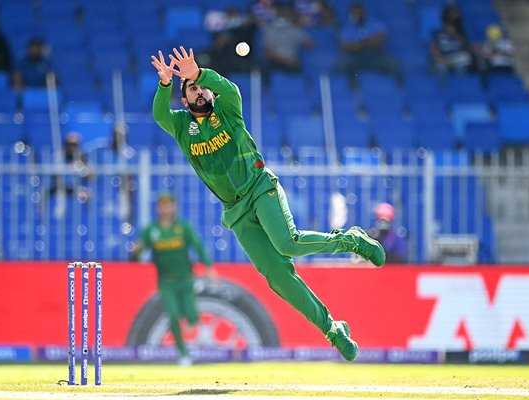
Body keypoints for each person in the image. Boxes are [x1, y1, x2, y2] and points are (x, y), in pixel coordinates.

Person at [150, 46, 386, 362]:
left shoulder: (227, 108)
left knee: (288, 243)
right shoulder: (182, 126)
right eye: (192, 89)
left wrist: (199, 74)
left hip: (260, 187)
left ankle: (352, 240)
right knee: (278, 277)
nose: (200, 91)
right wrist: (166, 84)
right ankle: (332, 328)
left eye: (202, 87)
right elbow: (159, 115)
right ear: (185, 100)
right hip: (236, 212)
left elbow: (229, 88)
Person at [130, 192, 215, 366]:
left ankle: (194, 338)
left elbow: (198, 246)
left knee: (192, 317)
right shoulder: (152, 230)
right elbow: (136, 257)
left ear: (174, 207)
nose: (165, 208)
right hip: (166, 282)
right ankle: (183, 353)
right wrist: (135, 251)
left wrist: (208, 267)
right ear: (158, 208)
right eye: (162, 205)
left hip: (186, 279)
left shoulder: (182, 227)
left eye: (168, 204)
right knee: (174, 315)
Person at [334, 2, 403, 89]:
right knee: (342, 65)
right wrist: (368, 42)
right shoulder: (347, 28)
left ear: (364, 12)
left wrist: (359, 43)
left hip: (376, 57)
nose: (359, 15)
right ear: (351, 14)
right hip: (356, 58)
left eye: (360, 12)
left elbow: (380, 40)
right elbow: (346, 46)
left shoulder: (375, 24)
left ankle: (398, 91)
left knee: (394, 64)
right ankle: (350, 92)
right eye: (356, 13)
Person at [262, 4, 314, 77]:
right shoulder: (269, 30)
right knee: (266, 67)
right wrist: (286, 60)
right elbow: (268, 53)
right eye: (281, 13)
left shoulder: (295, 29)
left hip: (292, 63)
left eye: (285, 13)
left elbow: (310, 43)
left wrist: (300, 23)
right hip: (277, 62)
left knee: (298, 69)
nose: (282, 15)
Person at [429, 5, 475, 81]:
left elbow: (466, 49)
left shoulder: (460, 35)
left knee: (464, 64)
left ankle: (461, 85)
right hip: (443, 58)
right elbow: (434, 51)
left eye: (452, 26)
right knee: (441, 67)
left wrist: (457, 37)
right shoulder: (438, 35)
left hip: (456, 59)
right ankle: (443, 88)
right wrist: (442, 60)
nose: (450, 28)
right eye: (448, 26)